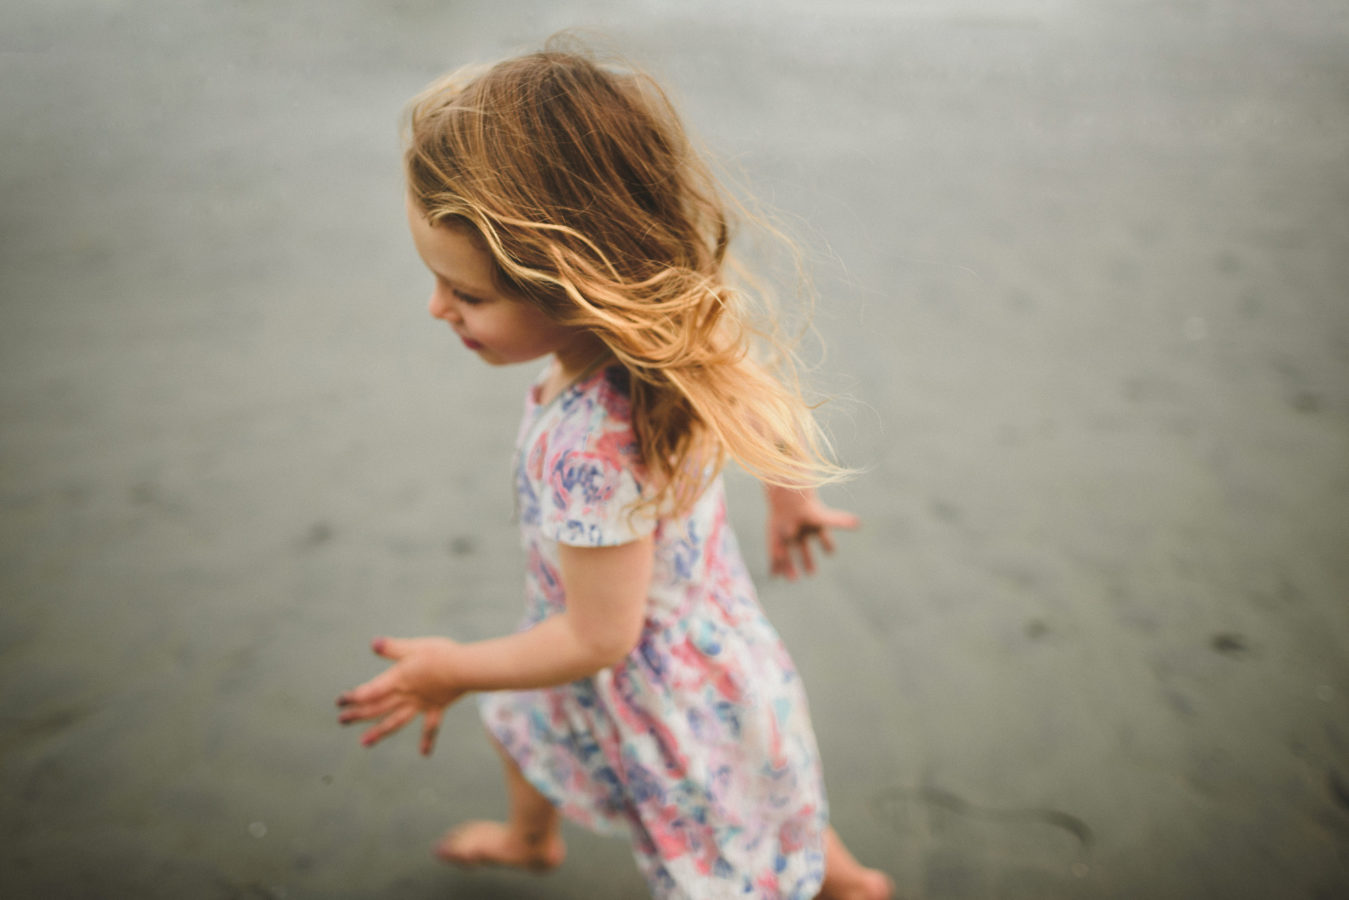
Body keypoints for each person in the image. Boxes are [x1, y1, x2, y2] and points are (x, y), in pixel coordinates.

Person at [336, 42, 893, 900]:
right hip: (666, 650)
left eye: (467, 295)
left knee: (735, 833)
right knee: (537, 725)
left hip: (667, 699)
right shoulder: (675, 330)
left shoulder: (590, 444)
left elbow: (600, 638)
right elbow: (753, 395)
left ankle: (850, 889)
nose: (436, 308)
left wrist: (450, 668)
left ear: (570, 286)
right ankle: (532, 840)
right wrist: (793, 497)